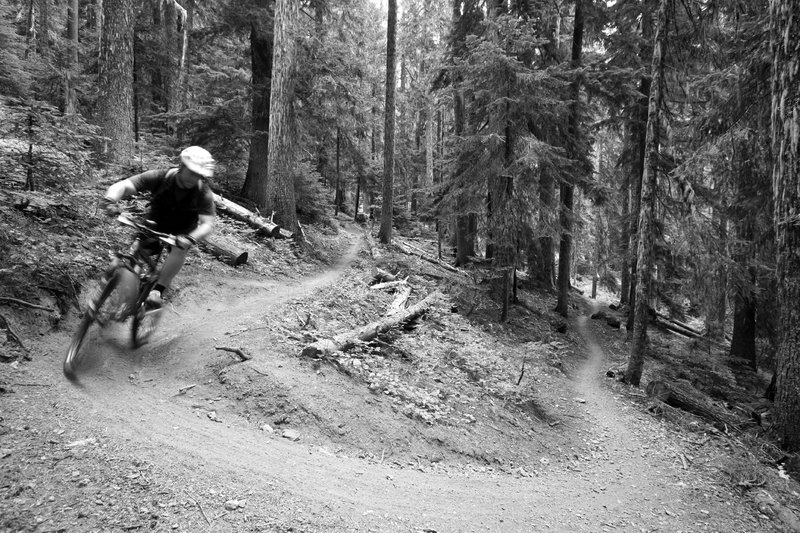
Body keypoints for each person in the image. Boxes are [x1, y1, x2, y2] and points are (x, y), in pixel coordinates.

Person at [100, 146, 216, 309]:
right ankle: (129, 292)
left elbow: (207, 224)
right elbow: (124, 185)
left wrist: (191, 238)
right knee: (136, 255)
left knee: (179, 250)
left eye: (199, 174)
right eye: (192, 172)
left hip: (183, 231)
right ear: (181, 166)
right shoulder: (160, 177)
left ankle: (158, 290)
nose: (194, 178)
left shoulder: (203, 193)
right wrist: (110, 200)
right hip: (155, 222)